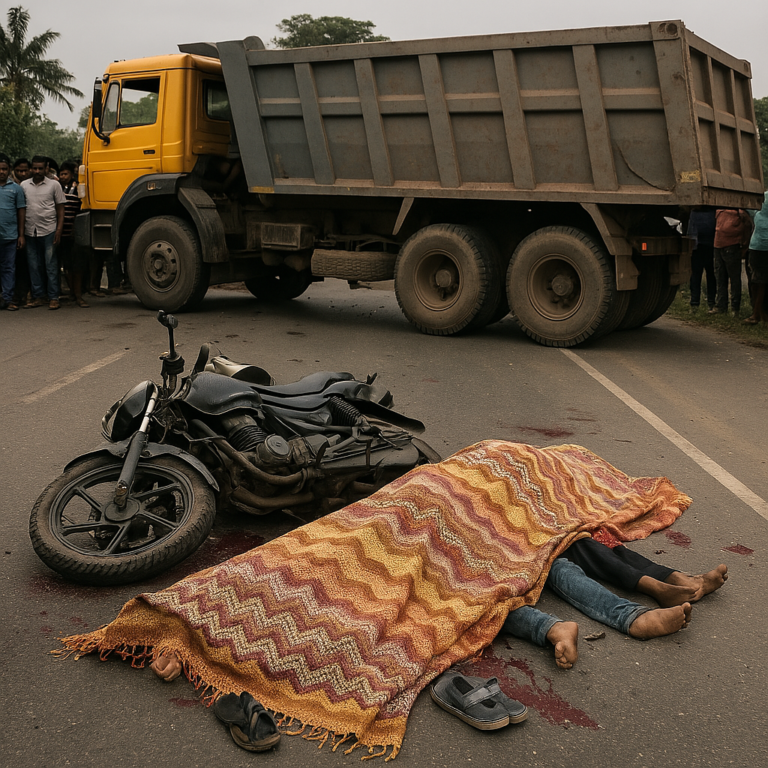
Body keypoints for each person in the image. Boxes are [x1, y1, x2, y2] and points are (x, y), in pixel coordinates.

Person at [21, 155, 65, 309]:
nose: (37, 171)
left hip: (49, 230)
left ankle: (54, 297)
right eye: (35, 168)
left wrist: (59, 229)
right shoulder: (24, 185)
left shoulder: (54, 185)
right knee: (33, 265)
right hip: (30, 230)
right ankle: (38, 296)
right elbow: (22, 209)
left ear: (47, 168)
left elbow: (60, 209)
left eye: (41, 168)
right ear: (31, 168)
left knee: (51, 265)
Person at [709, 208, 753, 317]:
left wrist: (745, 243)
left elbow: (748, 225)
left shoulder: (741, 213)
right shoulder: (719, 210)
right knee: (720, 276)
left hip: (732, 246)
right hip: (718, 245)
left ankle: (735, 307)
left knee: (734, 278)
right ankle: (721, 305)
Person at [58, 162, 89, 307]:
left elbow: (81, 209)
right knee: (67, 265)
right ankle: (72, 293)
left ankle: (78, 295)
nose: (63, 177)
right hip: (60, 233)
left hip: (74, 232)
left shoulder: (77, 188)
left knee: (78, 266)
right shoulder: (57, 187)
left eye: (65, 174)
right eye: (61, 174)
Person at [0, 153, 26, 311]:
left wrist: (21, 235)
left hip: (10, 236)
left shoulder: (16, 189)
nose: (1, 172)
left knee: (9, 268)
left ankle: (8, 299)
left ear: (9, 170)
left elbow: (21, 212)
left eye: (4, 169)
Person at [743, 191, 768, 326]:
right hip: (758, 246)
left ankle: (756, 314)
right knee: (761, 282)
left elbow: (749, 207)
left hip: (758, 247)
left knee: (758, 282)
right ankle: (761, 314)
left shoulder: (762, 196)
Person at [687, 208, 717, 311]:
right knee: (709, 275)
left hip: (699, 246)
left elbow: (691, 231)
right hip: (709, 245)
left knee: (697, 275)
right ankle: (710, 302)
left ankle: (696, 303)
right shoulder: (713, 211)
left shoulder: (694, 212)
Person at [11, 158, 31, 306]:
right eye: (19, 171)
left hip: (31, 230)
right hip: (12, 232)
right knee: (13, 265)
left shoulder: (31, 185)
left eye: (25, 170)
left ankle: (27, 294)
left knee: (29, 264)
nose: (22, 173)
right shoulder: (12, 186)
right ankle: (14, 295)